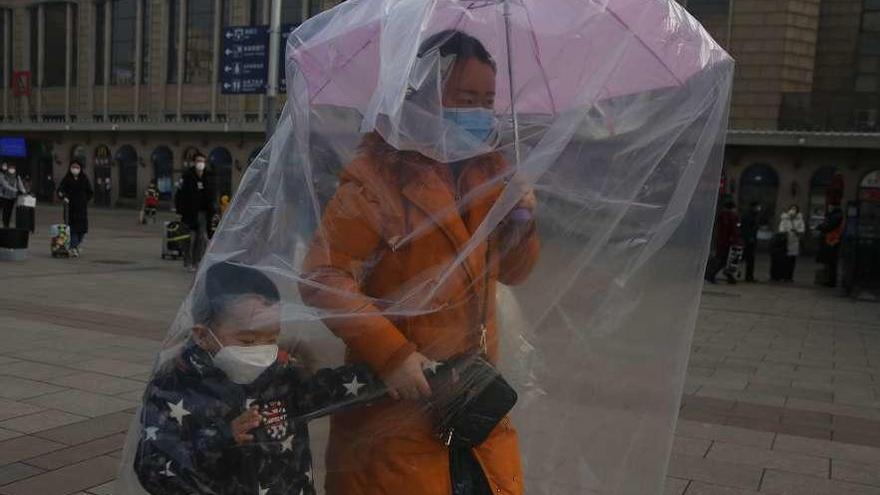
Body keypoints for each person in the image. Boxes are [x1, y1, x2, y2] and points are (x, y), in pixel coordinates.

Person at [301, 31, 540, 495]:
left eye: (488, 101)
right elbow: (323, 276)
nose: (479, 113)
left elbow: (514, 272)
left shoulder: (490, 172)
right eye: (466, 98)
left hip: (476, 395)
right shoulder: (376, 178)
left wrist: (522, 219)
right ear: (425, 97)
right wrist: (393, 355)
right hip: (400, 401)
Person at [134, 261, 383, 495]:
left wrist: (387, 375)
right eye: (248, 341)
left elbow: (322, 391)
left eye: (272, 338)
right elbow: (153, 467)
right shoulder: (174, 386)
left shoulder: (279, 374)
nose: (262, 350)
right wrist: (221, 436)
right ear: (202, 336)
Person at [175, 153, 215, 272]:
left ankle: (197, 262)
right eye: (198, 161)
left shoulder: (207, 177)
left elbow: (211, 194)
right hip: (189, 212)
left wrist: (213, 210)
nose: (200, 164)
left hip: (203, 213)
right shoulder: (187, 176)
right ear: (194, 162)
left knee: (200, 239)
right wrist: (180, 210)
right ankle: (187, 261)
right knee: (188, 238)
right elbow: (179, 195)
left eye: (202, 161)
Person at [57, 160, 93, 258]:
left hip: (81, 209)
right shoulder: (67, 179)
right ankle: (73, 247)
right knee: (72, 230)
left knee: (82, 231)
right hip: (70, 208)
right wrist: (64, 197)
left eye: (77, 167)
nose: (75, 169)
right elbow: (60, 190)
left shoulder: (84, 179)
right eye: (73, 167)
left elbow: (90, 192)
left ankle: (76, 246)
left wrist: (85, 200)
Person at [707, 197, 740, 284]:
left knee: (724, 259)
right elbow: (732, 230)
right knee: (723, 260)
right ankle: (711, 274)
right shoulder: (730, 216)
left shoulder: (723, 215)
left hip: (722, 241)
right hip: (726, 242)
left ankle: (727, 276)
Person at [817, 201, 844, 287]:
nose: (829, 207)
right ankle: (829, 280)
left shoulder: (835, 216)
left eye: (830, 205)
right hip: (832, 239)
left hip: (832, 240)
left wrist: (820, 227)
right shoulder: (835, 215)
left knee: (831, 261)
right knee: (830, 261)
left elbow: (829, 226)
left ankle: (831, 281)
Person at [777, 204, 805, 282]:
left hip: (794, 241)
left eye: (795, 209)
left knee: (792, 260)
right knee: (784, 259)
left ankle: (789, 277)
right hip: (785, 241)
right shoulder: (785, 219)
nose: (793, 210)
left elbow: (802, 230)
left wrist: (797, 231)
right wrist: (785, 232)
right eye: (792, 208)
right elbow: (781, 229)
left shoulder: (800, 219)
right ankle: (782, 275)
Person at [739, 202, 761, 282]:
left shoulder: (753, 215)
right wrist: (749, 238)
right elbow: (746, 228)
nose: (759, 208)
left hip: (751, 240)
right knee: (748, 258)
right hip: (748, 241)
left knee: (749, 259)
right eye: (757, 207)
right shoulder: (748, 216)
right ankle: (748, 276)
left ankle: (749, 276)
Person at [0, 161, 26, 228]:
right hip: (4, 197)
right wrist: (16, 191)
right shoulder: (3, 176)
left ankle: (7, 224)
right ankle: (5, 224)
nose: (12, 170)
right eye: (10, 168)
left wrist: (24, 191)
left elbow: (20, 185)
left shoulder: (17, 176)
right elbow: (5, 185)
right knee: (5, 211)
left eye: (13, 168)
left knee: (9, 212)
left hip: (12, 197)